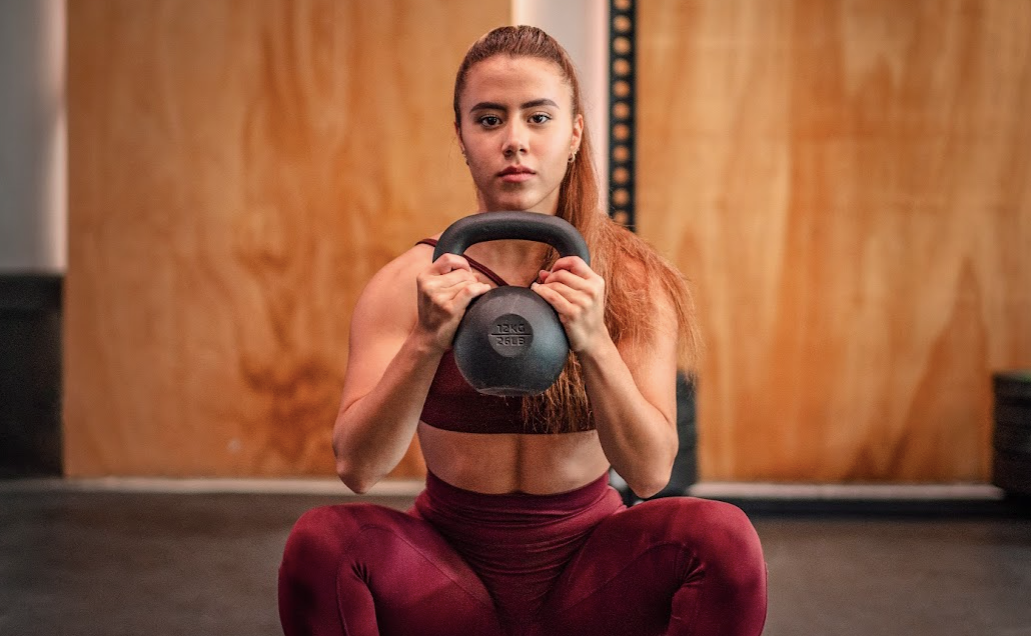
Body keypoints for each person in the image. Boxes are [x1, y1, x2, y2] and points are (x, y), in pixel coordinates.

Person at [278, 25, 767, 636]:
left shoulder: (633, 282)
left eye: (538, 118)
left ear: (575, 133)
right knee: (321, 542)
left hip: (592, 577)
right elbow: (358, 467)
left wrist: (592, 339)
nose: (515, 141)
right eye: (489, 120)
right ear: (460, 136)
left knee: (722, 538)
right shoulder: (407, 286)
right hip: (447, 577)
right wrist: (427, 340)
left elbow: (648, 474)